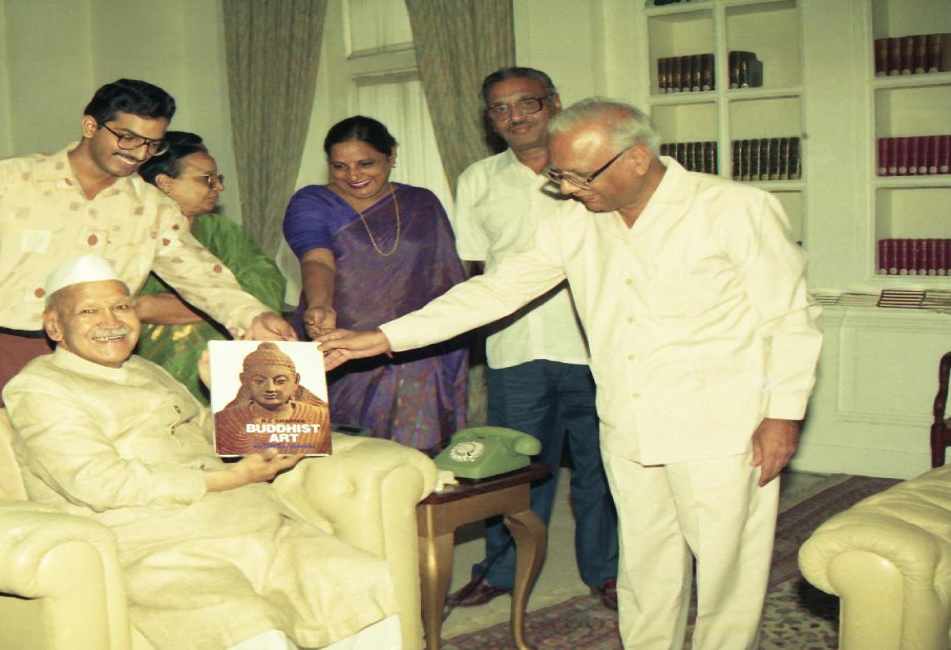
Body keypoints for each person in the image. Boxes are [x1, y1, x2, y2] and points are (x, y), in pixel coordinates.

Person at [318, 99, 823, 649]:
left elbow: (789, 317)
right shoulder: (573, 221)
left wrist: (783, 415)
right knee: (644, 563)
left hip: (722, 425)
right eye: (560, 175)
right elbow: (496, 291)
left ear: (636, 158)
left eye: (581, 176)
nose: (568, 188)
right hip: (628, 420)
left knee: (728, 569)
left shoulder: (734, 209)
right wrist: (383, 337)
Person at [3, 254, 401, 650]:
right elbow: (98, 483)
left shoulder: (145, 369)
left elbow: (200, 433)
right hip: (160, 549)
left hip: (259, 528)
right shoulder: (40, 387)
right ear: (54, 326)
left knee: (362, 578)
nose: (111, 322)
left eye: (121, 307)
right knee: (247, 627)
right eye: (89, 311)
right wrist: (230, 477)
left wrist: (227, 395)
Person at [0, 79, 293, 432]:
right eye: (128, 137)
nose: (139, 153)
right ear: (90, 126)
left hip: (95, 362)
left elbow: (202, 277)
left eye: (152, 144)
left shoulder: (151, 208)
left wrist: (253, 316)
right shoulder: (7, 182)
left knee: (85, 472)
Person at [447, 68, 619, 611]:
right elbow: (477, 270)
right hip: (515, 349)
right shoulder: (478, 179)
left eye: (527, 103)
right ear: (489, 119)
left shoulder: (592, 170)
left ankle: (608, 572)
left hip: (593, 348)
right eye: (500, 109)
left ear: (555, 103)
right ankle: (501, 571)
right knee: (512, 471)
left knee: (600, 468)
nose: (515, 117)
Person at [283, 116, 467, 452]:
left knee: (413, 453)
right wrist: (320, 305)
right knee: (344, 452)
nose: (353, 176)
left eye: (365, 164)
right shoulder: (313, 201)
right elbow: (317, 258)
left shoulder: (421, 203)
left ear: (391, 156)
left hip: (413, 347)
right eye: (340, 166)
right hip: (341, 343)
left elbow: (444, 277)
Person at [135, 131, 286, 403]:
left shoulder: (223, 231)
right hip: (151, 367)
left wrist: (173, 306)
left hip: (230, 363)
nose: (219, 187)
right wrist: (225, 304)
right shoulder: (133, 234)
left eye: (219, 178)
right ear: (165, 184)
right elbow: (130, 307)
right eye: (207, 179)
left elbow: (268, 286)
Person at [214, 342, 331, 456]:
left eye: (280, 381)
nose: (270, 388)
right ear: (244, 380)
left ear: (295, 381)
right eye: (259, 381)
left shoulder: (320, 417)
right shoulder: (225, 420)